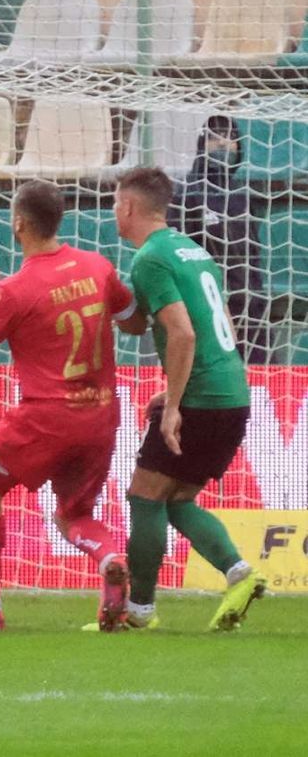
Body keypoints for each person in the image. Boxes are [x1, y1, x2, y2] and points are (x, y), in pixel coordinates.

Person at [0, 181, 145, 632]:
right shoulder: (97, 267)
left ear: (18, 223)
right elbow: (134, 322)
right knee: (75, 515)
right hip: (100, 413)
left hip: (45, 417)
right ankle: (110, 557)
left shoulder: (13, 291)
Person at [114, 166, 265, 631]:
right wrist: (175, 388)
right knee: (176, 500)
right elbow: (223, 327)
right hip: (231, 391)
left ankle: (138, 612)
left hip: (201, 399)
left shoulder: (150, 259)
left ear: (129, 207)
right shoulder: (193, 251)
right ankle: (239, 573)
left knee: (145, 496)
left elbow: (181, 333)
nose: (114, 212)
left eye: (116, 203)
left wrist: (175, 405)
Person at [172, 115, 271, 364]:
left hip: (248, 306)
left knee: (258, 376)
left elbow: (253, 257)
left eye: (229, 138)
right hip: (207, 306)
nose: (222, 144)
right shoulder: (187, 192)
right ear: (201, 144)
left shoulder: (242, 196)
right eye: (214, 138)